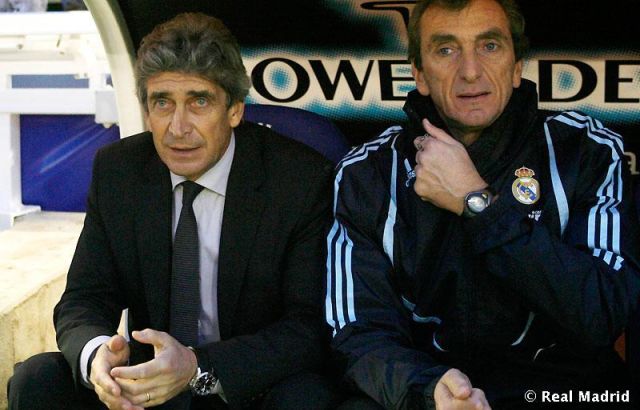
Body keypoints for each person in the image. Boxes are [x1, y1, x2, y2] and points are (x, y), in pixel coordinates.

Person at [9, 12, 338, 410]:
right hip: (146, 385)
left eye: (199, 102)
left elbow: (308, 328)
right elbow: (85, 297)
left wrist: (198, 366)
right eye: (162, 103)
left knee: (307, 397)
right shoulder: (119, 171)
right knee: (38, 378)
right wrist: (98, 355)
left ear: (235, 110)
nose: (178, 128)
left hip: (245, 384)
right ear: (147, 112)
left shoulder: (298, 179)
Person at [326, 0, 640, 408]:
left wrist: (476, 201)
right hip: (431, 391)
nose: (470, 71)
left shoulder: (585, 150)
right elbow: (357, 333)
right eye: (446, 49)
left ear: (516, 67)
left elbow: (602, 312)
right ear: (419, 74)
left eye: (490, 46)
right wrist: (427, 388)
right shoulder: (366, 173)